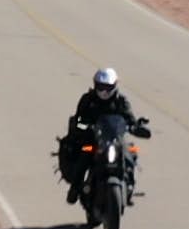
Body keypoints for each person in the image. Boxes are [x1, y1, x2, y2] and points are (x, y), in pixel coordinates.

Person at [58, 68, 154, 201]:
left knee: (130, 153)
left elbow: (130, 119)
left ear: (114, 86)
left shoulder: (121, 101)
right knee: (85, 154)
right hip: (92, 141)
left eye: (108, 87)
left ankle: (129, 185)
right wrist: (84, 127)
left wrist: (135, 127)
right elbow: (78, 120)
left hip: (115, 140)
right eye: (101, 87)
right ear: (95, 85)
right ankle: (75, 188)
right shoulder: (87, 100)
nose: (104, 92)